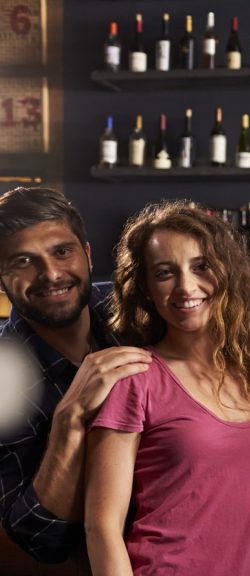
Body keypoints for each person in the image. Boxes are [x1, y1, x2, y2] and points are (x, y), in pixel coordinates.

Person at [84, 201, 250, 575]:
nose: (185, 286)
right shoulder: (136, 378)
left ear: (226, 273)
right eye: (165, 272)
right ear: (146, 288)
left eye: (201, 267)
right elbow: (101, 526)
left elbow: (242, 471)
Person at [0, 187, 152, 563]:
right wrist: (69, 421)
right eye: (23, 260)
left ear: (86, 253)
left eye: (62, 251)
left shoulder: (135, 309)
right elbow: (39, 539)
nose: (50, 274)